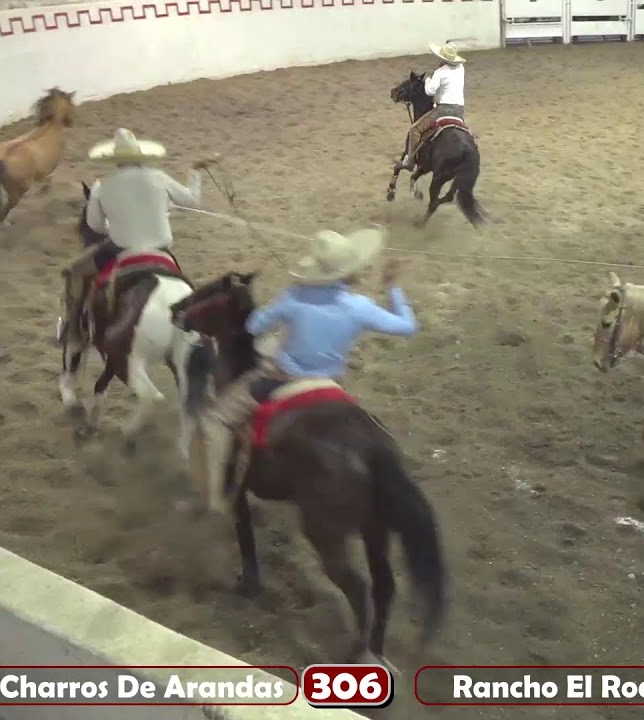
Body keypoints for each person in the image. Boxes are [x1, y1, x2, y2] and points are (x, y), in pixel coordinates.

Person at [192, 227, 419, 514]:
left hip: (283, 379)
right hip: (330, 383)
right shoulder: (360, 306)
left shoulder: (293, 296)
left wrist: (281, 311)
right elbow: (407, 326)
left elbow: (253, 327)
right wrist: (392, 288)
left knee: (216, 419)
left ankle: (216, 501)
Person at [61, 128, 213, 345]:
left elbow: (95, 226)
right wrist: (194, 172)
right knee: (183, 283)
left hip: (121, 250)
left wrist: (115, 224)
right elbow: (192, 200)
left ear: (115, 159)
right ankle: (198, 330)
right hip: (159, 249)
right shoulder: (159, 177)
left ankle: (74, 330)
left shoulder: (101, 186)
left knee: (75, 273)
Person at [398, 41, 466, 172]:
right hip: (459, 110)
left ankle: (410, 161)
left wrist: (429, 80)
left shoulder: (440, 72)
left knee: (415, 130)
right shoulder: (461, 69)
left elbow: (430, 91)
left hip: (443, 109)